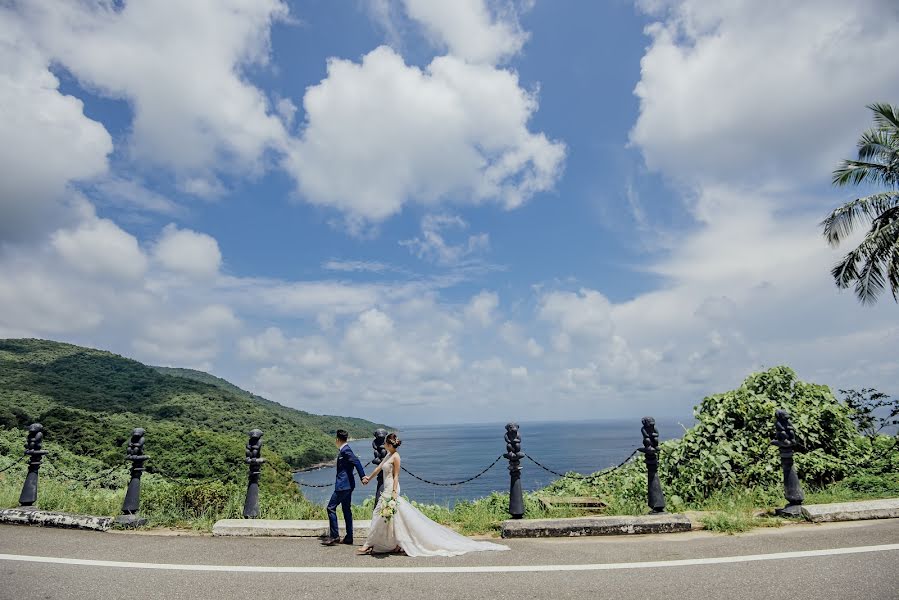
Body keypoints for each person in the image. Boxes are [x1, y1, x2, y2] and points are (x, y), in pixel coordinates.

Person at [357, 433, 510, 557]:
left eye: (385, 443)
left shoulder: (396, 457)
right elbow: (378, 469)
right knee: (388, 516)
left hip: (392, 488)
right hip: (386, 489)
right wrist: (368, 478)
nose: (383, 445)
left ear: (390, 444)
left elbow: (396, 476)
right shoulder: (388, 455)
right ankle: (394, 543)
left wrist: (395, 492)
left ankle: (370, 544)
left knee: (382, 514)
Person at [322, 429, 366, 546]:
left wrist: (362, 477)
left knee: (330, 508)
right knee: (346, 510)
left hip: (342, 486)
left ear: (337, 440)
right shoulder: (345, 450)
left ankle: (335, 536)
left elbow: (356, 461)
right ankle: (349, 537)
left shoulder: (346, 450)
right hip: (348, 485)